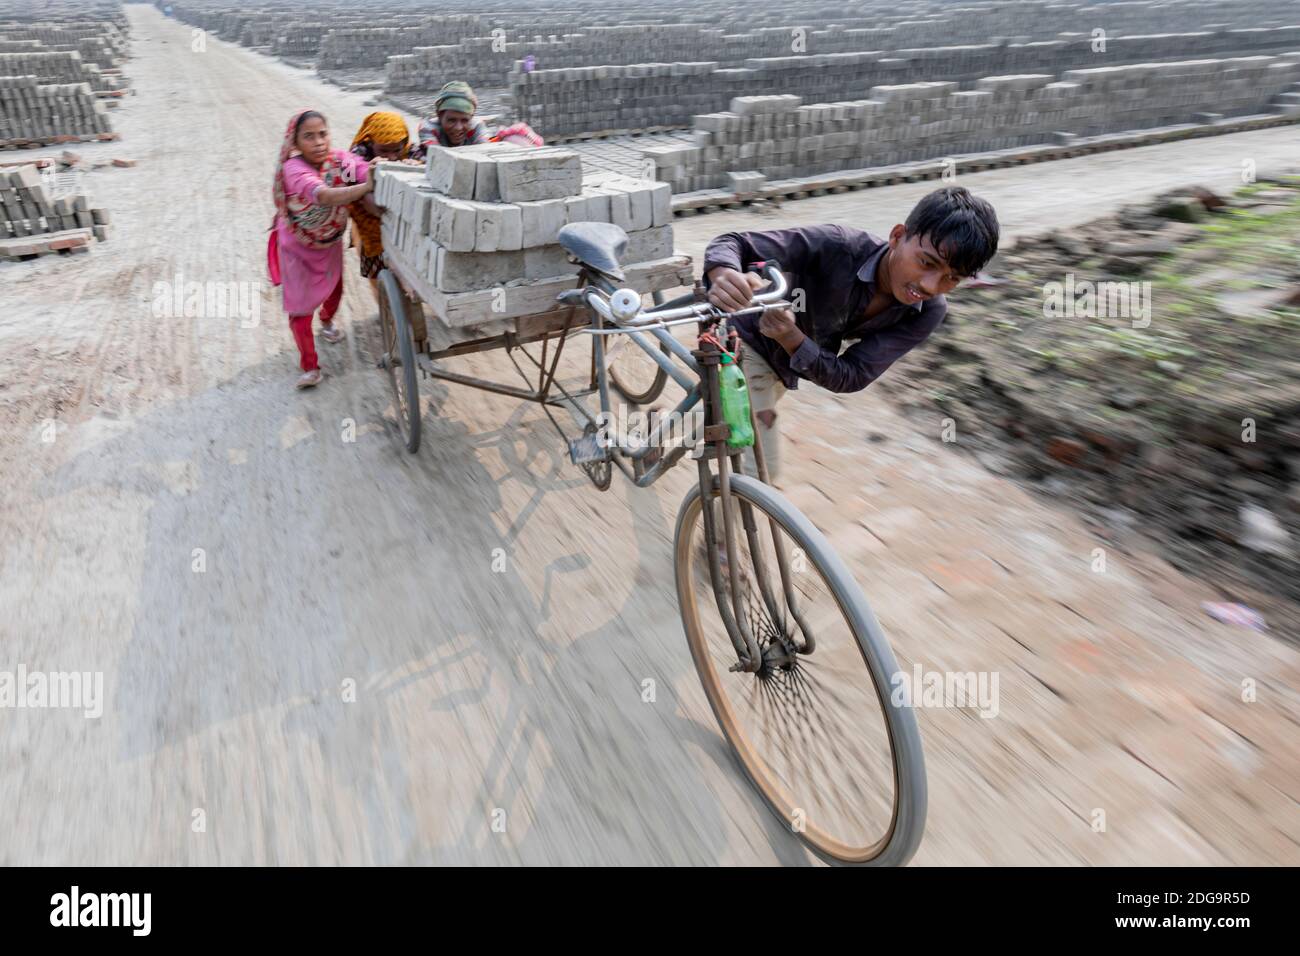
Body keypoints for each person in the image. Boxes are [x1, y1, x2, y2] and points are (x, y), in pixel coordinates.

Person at [702, 185, 1000, 480]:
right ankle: (718, 522)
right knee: (759, 471)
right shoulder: (837, 245)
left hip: (785, 363)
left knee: (728, 417)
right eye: (926, 263)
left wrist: (791, 337)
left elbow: (851, 375)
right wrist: (725, 275)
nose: (930, 286)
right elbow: (734, 243)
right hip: (744, 342)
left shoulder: (929, 311)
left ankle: (666, 439)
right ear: (897, 236)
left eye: (952, 279)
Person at [269, 109, 375, 389]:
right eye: (309, 137)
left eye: (322, 134)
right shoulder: (293, 169)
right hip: (297, 246)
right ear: (295, 143)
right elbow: (323, 195)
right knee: (300, 309)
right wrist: (366, 187)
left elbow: (359, 168)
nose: (318, 142)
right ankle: (310, 366)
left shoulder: (338, 162)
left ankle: (327, 321)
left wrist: (374, 170)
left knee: (334, 289)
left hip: (328, 242)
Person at [347, 111, 410, 302]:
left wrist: (414, 165)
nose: (391, 158)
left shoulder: (410, 151)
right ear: (370, 142)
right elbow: (348, 177)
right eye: (383, 151)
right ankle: (385, 305)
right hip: (369, 224)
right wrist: (366, 186)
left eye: (396, 150)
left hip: (398, 221)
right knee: (376, 266)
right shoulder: (356, 155)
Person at [409, 81, 489, 161]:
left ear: (471, 117)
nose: (458, 128)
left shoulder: (477, 126)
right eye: (451, 120)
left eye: (464, 120)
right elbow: (440, 157)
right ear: (439, 115)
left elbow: (486, 151)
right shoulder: (428, 129)